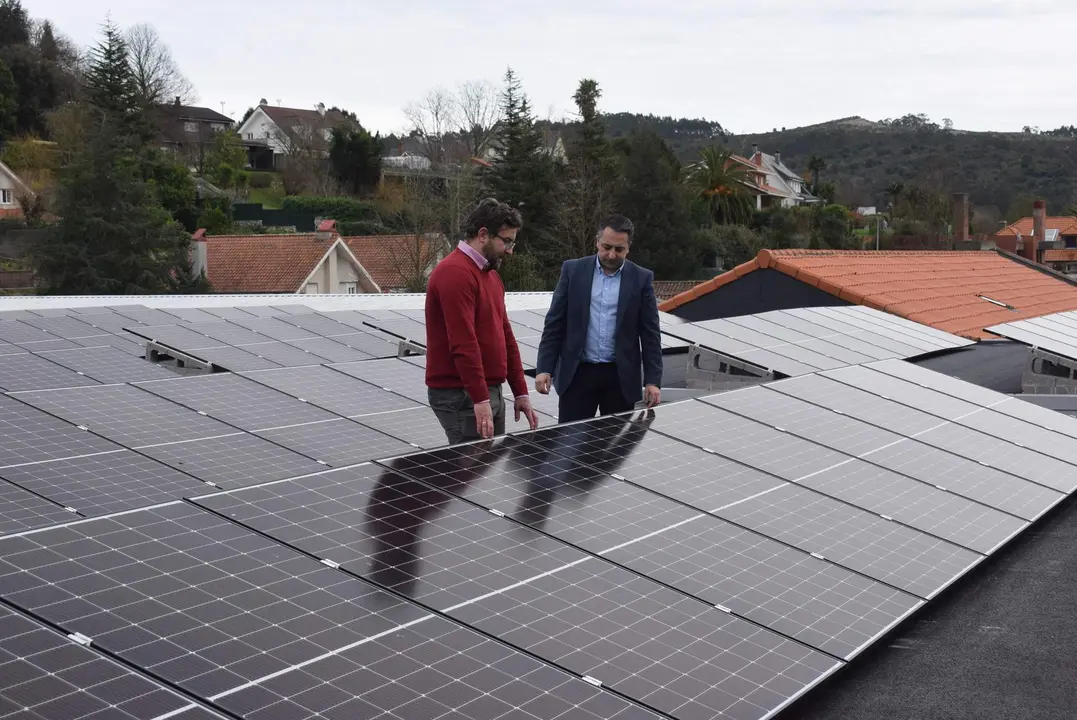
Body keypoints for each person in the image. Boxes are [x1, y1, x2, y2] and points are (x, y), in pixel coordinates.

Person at [425, 197, 539, 444]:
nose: (509, 250)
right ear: (483, 234)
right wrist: (480, 398)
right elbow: (463, 343)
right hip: (461, 394)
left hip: (486, 391)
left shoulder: (490, 276)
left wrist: (520, 392)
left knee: (489, 475)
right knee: (471, 474)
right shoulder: (455, 273)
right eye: (506, 241)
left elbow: (506, 337)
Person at [534, 213, 663, 422]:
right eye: (606, 247)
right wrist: (544, 368)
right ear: (597, 242)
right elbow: (555, 324)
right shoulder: (573, 271)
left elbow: (650, 335)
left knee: (615, 450)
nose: (611, 255)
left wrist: (653, 381)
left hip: (619, 378)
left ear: (628, 248)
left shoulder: (641, 279)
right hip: (577, 375)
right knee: (569, 444)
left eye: (619, 249)